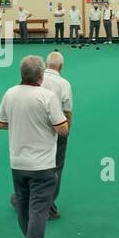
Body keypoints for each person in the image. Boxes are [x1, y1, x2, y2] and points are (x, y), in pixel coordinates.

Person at [0, 56, 67, 238]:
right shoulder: (47, 96)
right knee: (38, 211)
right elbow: (62, 128)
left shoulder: (10, 93)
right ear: (40, 75)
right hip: (42, 165)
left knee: (24, 208)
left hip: (18, 163)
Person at [42, 51, 72, 219]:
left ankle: (24, 198)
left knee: (35, 163)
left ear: (46, 65)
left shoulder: (36, 78)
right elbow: (67, 111)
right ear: (61, 66)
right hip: (57, 128)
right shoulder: (64, 83)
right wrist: (66, 133)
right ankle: (48, 205)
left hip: (36, 128)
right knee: (56, 167)